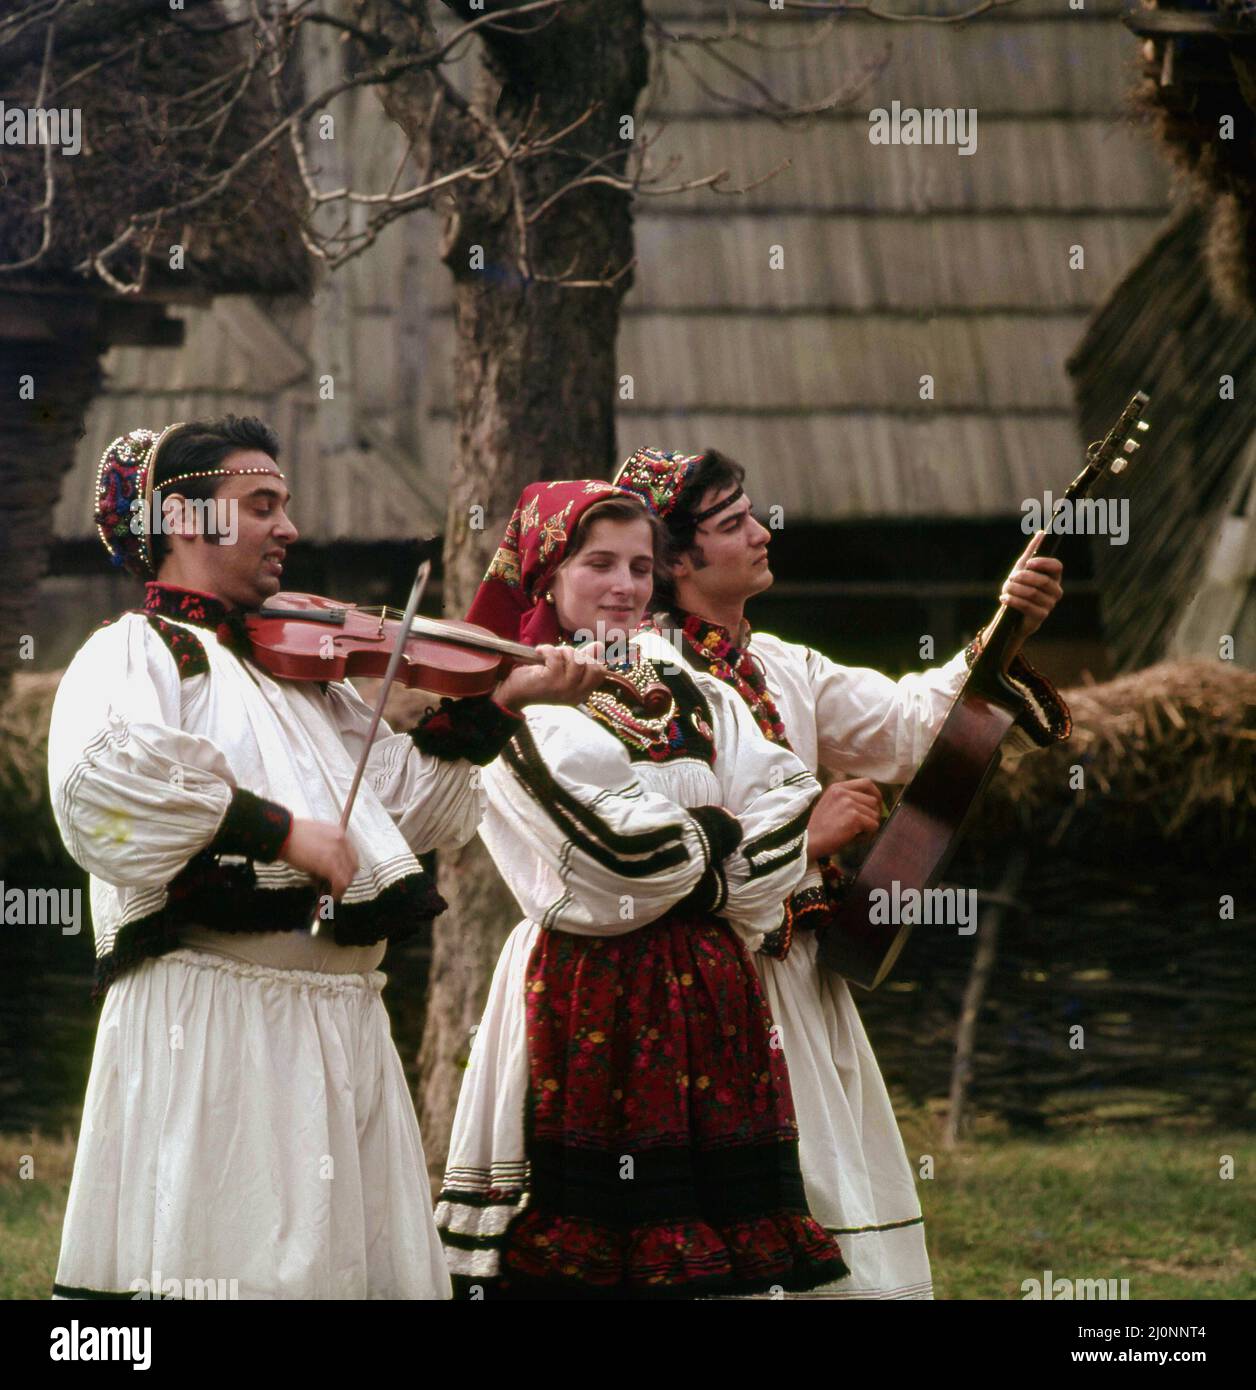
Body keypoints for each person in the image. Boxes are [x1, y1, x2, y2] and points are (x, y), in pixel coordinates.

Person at [48, 416, 600, 1300]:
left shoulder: (308, 680)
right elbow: (103, 790)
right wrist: (278, 832)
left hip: (343, 1018)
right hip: (220, 1015)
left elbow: (408, 812)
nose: (289, 529)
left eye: (286, 505)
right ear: (187, 521)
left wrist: (503, 702)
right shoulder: (140, 653)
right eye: (260, 504)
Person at [612, 446, 1072, 1299]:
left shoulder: (787, 666)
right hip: (703, 988)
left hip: (800, 985)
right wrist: (806, 835)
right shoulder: (639, 682)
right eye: (731, 523)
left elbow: (908, 728)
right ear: (674, 559)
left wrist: (1005, 624)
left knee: (833, 1196)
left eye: (752, 511)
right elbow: (660, 834)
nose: (760, 530)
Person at [434, 479, 850, 1299]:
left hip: (713, 996)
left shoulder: (683, 680)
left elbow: (793, 796)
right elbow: (613, 867)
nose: (625, 587)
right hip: (582, 995)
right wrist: (728, 846)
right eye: (597, 564)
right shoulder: (510, 700)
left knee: (716, 1253)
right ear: (547, 575)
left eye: (639, 565)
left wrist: (695, 860)